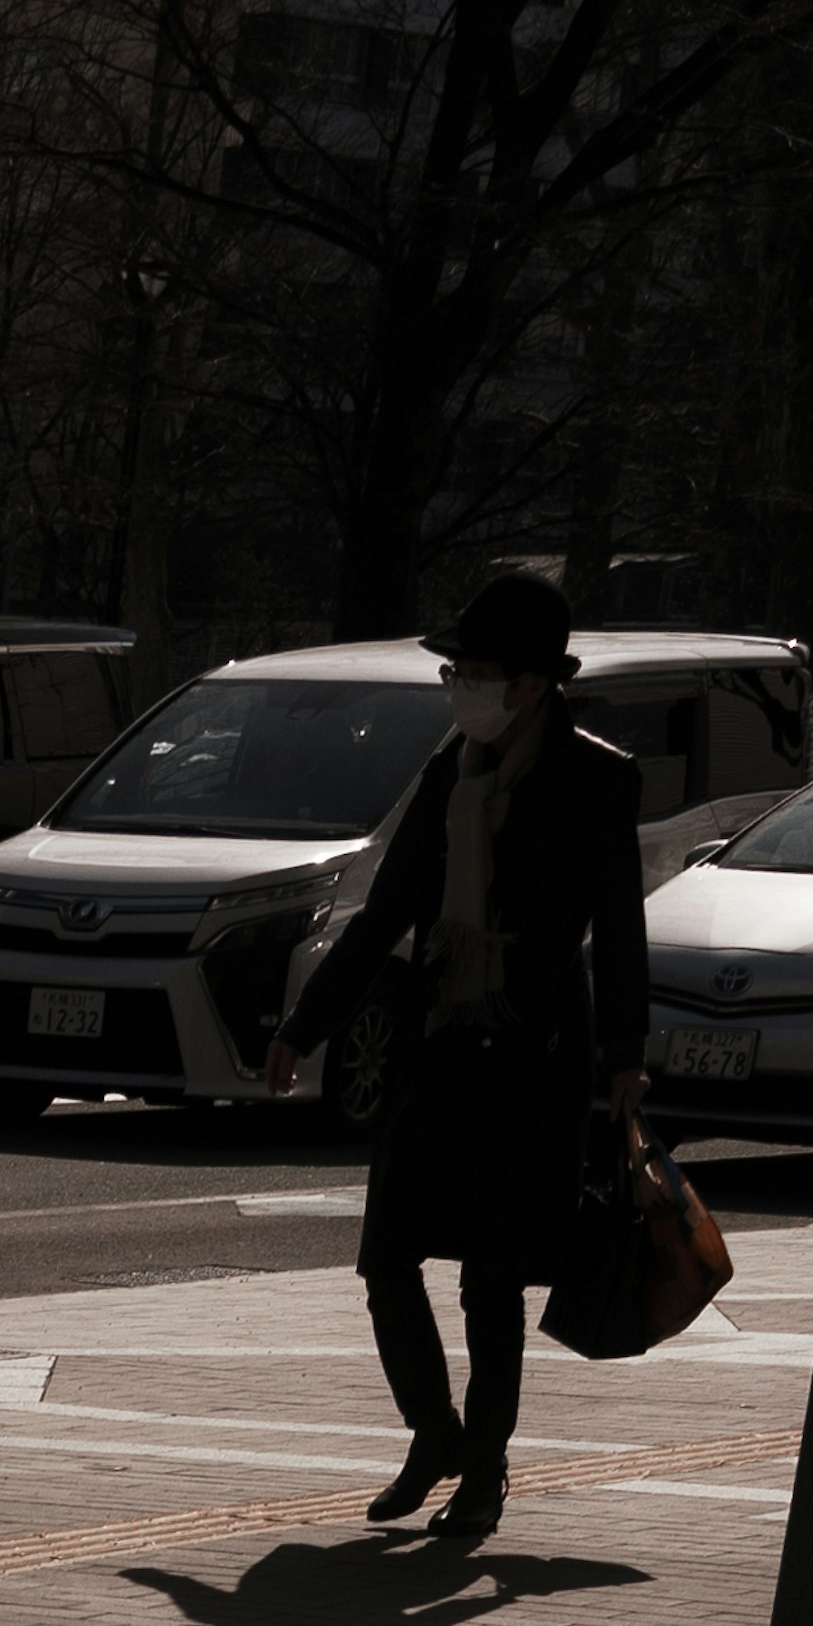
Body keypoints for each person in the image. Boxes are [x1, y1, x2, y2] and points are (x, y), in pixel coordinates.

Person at [262, 568, 649, 1552]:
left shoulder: (599, 777)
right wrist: (305, 1025)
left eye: (477, 674)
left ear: (533, 684)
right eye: (456, 674)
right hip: (444, 1047)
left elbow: (620, 924)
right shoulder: (449, 772)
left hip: (538, 1053)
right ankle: (434, 1432)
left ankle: (484, 1470)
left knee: (493, 1278)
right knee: (387, 1257)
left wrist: (623, 1054)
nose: (462, 690)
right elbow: (386, 913)